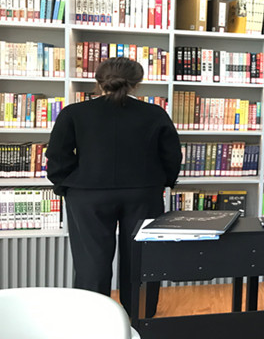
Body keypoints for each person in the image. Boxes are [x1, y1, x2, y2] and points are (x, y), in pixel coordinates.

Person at [46, 57, 182, 316]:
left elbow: (57, 156)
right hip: (143, 192)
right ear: (137, 83)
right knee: (141, 259)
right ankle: (140, 318)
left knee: (91, 262)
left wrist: (67, 183)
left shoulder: (74, 113)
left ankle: (93, 319)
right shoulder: (154, 113)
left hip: (87, 194)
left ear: (99, 81)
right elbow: (172, 155)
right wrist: (161, 183)